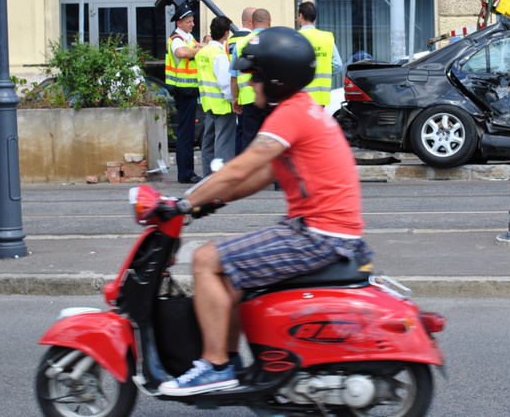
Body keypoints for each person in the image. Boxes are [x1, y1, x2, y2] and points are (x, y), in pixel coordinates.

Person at [157, 27, 371, 396]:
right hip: (325, 229)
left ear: (276, 79)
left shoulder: (290, 115)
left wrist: (182, 202)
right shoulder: (303, 110)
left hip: (317, 234)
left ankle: (214, 366)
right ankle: (227, 360)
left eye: (254, 76)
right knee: (228, 271)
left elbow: (240, 169)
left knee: (206, 259)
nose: (249, 83)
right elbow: (260, 176)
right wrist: (212, 201)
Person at [166, 6, 205, 184]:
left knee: (188, 134)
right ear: (179, 23)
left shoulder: (187, 38)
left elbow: (191, 49)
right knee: (185, 135)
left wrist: (200, 46)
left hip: (189, 91)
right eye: (189, 22)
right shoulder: (176, 39)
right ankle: (185, 174)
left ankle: (187, 172)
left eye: (192, 21)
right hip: (183, 91)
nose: (192, 24)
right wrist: (202, 50)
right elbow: (181, 53)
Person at [196, 17, 236, 177]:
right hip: (223, 105)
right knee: (223, 145)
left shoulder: (202, 53)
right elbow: (225, 83)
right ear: (226, 33)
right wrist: (233, 99)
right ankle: (222, 179)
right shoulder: (219, 55)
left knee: (208, 144)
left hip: (208, 104)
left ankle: (207, 177)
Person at [230, 8, 271, 151]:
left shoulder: (240, 43)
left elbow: (234, 76)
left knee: (248, 139)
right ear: (269, 22)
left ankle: (248, 172)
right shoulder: (274, 40)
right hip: (270, 98)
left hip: (247, 99)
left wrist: (235, 98)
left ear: (251, 23)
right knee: (269, 139)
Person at [296, 1, 342, 107]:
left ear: (300, 15)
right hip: (321, 98)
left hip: (301, 97)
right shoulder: (327, 38)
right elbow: (338, 65)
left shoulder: (295, 38)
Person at [227, 7, 255, 156]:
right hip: (255, 94)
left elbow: (233, 73)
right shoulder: (251, 39)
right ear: (251, 21)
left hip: (241, 94)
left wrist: (235, 97)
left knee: (242, 133)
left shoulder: (231, 40)